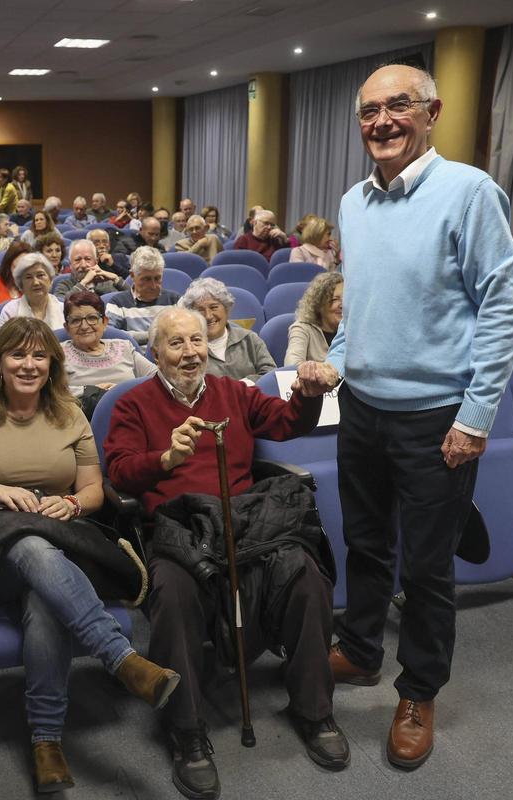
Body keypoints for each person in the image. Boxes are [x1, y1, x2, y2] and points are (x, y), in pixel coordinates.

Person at [320, 64, 513, 769]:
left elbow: (505, 309)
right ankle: (359, 647)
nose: (381, 122)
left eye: (398, 105)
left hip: (436, 416)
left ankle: (418, 691)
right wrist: (339, 361)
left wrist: (476, 416)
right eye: (369, 111)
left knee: (429, 566)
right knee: (365, 543)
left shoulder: (469, 192)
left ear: (432, 113)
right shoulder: (352, 202)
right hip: (361, 410)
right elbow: (358, 303)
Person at [103, 307, 346, 799]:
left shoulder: (233, 391)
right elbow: (121, 472)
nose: (190, 353)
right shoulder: (133, 404)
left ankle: (314, 709)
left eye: (196, 341)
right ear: (156, 353)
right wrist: (165, 458)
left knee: (304, 572)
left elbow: (286, 424)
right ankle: (187, 730)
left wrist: (307, 395)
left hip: (244, 522)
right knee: (173, 594)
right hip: (179, 528)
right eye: (176, 343)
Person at [0, 317, 179, 792]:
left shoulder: (70, 415)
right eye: (17, 355)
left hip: (62, 543)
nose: (29, 365)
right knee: (28, 541)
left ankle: (46, 740)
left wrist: (70, 504)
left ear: (52, 364)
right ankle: (120, 658)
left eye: (39, 355)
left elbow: (92, 491)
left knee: (44, 594)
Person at [180, 277, 275, 382]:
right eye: (200, 310)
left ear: (227, 309)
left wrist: (243, 386)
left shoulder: (250, 339)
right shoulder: (188, 348)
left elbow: (271, 375)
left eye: (214, 307)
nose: (208, 316)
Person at [62, 291, 156, 394]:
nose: (84, 326)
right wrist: (91, 391)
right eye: (76, 320)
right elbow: (52, 391)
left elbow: (157, 378)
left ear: (105, 322)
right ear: (67, 327)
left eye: (92, 318)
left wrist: (121, 391)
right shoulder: (58, 354)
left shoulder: (124, 347)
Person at [106, 246, 181, 345]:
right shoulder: (118, 303)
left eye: (157, 278)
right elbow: (109, 335)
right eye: (147, 279)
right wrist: (151, 336)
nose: (153, 286)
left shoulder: (175, 300)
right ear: (132, 275)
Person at [284, 272, 344, 366]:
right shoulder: (302, 329)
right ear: (319, 303)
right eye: (335, 299)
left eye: (346, 299)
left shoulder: (350, 331)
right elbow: (291, 364)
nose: (342, 305)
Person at [0, 253, 64, 329]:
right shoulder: (10, 312)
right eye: (28, 277)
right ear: (21, 284)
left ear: (50, 280)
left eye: (40, 275)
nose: (36, 282)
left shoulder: (63, 310)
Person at [54, 239, 120, 300]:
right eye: (77, 260)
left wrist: (116, 279)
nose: (83, 265)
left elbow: (125, 300)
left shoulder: (107, 282)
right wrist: (84, 283)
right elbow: (61, 304)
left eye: (88, 259)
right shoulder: (64, 285)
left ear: (96, 262)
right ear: (70, 264)